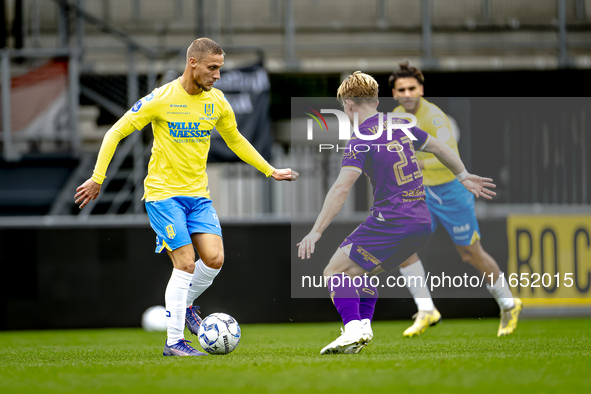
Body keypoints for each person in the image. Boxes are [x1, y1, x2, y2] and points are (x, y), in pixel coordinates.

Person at [74, 38, 297, 356]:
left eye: (219, 68)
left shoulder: (217, 102)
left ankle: (187, 303)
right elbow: (115, 132)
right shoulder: (161, 98)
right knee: (185, 263)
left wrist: (269, 170)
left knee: (215, 259)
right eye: (213, 68)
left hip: (198, 197)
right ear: (193, 63)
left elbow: (235, 139)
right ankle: (174, 342)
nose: (218, 76)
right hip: (163, 196)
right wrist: (97, 178)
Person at [297, 71, 496, 355]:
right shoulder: (401, 125)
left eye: (344, 106)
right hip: (420, 221)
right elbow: (439, 146)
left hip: (391, 219)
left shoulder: (359, 139)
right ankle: (362, 329)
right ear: (377, 100)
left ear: (350, 104)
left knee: (334, 271)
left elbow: (342, 188)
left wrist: (316, 231)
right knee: (357, 276)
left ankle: (352, 328)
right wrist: (463, 175)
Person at [389, 62, 522, 338]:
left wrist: (414, 164)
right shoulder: (396, 116)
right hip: (422, 194)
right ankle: (426, 310)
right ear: (394, 93)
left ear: (421, 89)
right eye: (401, 89)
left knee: (470, 254)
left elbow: (450, 161)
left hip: (451, 193)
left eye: (412, 88)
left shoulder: (436, 118)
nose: (407, 93)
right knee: (402, 246)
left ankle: (509, 303)